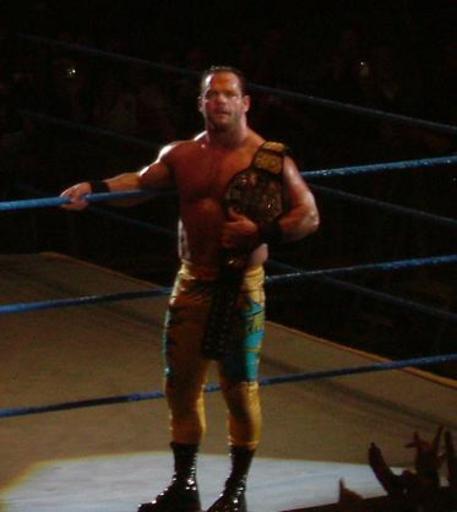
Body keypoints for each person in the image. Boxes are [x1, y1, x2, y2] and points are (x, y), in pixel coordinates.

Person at [61, 65, 320, 512]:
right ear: (201, 103)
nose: (219, 101)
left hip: (240, 284)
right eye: (211, 94)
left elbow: (309, 216)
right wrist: (94, 189)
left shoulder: (269, 159)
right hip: (193, 279)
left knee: (239, 387)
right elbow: (140, 183)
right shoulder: (182, 154)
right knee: (179, 384)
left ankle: (235, 492)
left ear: (245, 103)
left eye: (228, 94)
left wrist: (262, 232)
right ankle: (185, 486)